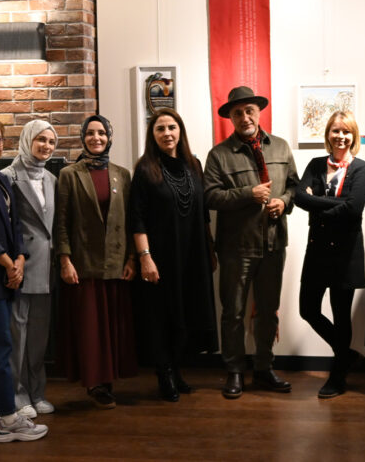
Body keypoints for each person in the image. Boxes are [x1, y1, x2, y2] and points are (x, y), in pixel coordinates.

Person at [203, 86, 299, 399]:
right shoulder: (219, 155)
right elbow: (210, 196)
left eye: (249, 111)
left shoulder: (281, 147)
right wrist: (248, 194)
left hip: (273, 244)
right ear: (230, 118)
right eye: (237, 113)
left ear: (258, 113)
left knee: (268, 311)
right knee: (233, 312)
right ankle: (234, 370)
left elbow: (295, 187)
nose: (244, 117)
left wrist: (283, 201)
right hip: (235, 247)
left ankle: (263, 368)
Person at [130, 108, 219, 402]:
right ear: (152, 135)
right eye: (160, 129)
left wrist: (209, 250)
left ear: (180, 131)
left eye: (172, 127)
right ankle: (164, 373)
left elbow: (203, 214)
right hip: (161, 257)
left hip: (193, 254)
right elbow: (137, 218)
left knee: (187, 312)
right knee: (163, 316)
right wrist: (145, 257)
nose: (167, 133)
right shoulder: (145, 169)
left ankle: (177, 369)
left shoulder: (194, 165)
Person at [0, 117, 48, 442]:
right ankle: (7, 419)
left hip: (7, 273)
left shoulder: (1, 179)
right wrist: (6, 263)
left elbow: (15, 226)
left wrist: (19, 260)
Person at [54, 114, 138, 409]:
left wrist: (132, 258)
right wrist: (65, 260)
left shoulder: (122, 174)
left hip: (116, 262)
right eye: (90, 133)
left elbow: (130, 220)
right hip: (84, 263)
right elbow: (61, 221)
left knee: (112, 325)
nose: (96, 138)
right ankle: (95, 383)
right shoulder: (69, 174)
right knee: (91, 327)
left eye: (101, 133)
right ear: (83, 138)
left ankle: (108, 380)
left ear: (109, 137)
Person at [294, 111, 365, 399]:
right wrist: (336, 204)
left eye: (346, 131)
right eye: (336, 130)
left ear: (353, 136)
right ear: (328, 134)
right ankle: (346, 354)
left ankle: (338, 377)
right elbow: (299, 197)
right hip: (317, 248)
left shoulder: (360, 168)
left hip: (346, 252)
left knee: (341, 314)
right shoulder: (316, 164)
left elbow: (354, 208)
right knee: (308, 309)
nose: (341, 136)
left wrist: (317, 202)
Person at [1, 120, 58, 419]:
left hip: (46, 267)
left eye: (51, 141)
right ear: (27, 140)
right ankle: (17, 395)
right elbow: (5, 224)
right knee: (17, 336)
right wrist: (13, 261)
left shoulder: (51, 178)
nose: (46, 146)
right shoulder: (7, 176)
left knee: (39, 337)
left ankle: (38, 393)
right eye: (41, 140)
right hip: (20, 266)